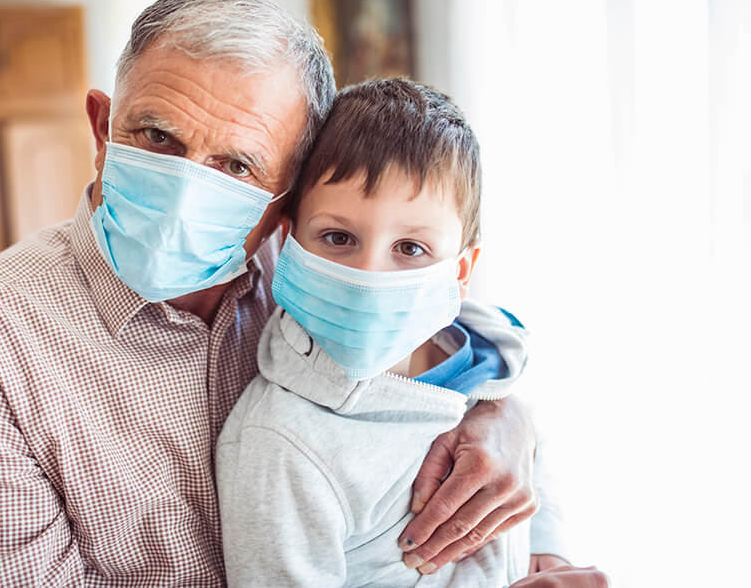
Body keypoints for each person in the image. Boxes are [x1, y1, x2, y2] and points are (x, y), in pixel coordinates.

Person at [0, 0, 595, 586]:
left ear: (287, 199)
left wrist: (503, 416)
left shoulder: (328, 270)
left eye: (237, 165)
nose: (186, 190)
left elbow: (459, 348)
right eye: (159, 137)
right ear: (103, 127)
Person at [217, 79, 606, 587]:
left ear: (460, 272)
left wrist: (548, 554)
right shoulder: (281, 446)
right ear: (291, 240)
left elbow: (530, 462)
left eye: (410, 249)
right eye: (338, 237)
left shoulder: (482, 352)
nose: (369, 275)